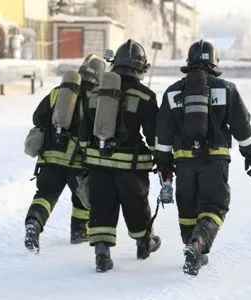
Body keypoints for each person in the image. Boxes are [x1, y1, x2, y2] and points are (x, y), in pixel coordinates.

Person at [154, 39, 251, 276]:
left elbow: (162, 134)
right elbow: (242, 126)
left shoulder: (172, 92)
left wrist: (163, 165)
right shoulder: (226, 89)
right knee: (214, 207)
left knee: (188, 210)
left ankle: (192, 250)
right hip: (215, 160)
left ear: (188, 62)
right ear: (214, 62)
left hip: (183, 163)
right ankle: (198, 244)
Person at [78, 39, 160, 272]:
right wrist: (161, 158)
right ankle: (144, 243)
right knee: (136, 204)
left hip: (97, 162)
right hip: (130, 166)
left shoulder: (95, 93)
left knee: (102, 206)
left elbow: (84, 133)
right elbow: (153, 136)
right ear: (140, 67)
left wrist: (87, 153)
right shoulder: (145, 96)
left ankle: (102, 252)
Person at [24, 54, 106, 254]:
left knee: (45, 195)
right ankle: (79, 232)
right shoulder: (95, 98)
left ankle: (34, 222)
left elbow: (37, 117)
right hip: (78, 162)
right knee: (82, 199)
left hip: (50, 159)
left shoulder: (58, 92)